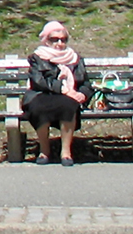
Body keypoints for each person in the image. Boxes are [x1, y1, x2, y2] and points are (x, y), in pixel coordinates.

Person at [25, 19, 89, 166]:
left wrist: (83, 94)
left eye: (63, 39)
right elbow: (38, 82)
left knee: (68, 105)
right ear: (46, 40)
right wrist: (63, 89)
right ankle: (44, 150)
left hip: (68, 97)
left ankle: (66, 152)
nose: (59, 43)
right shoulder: (37, 57)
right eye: (54, 39)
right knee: (39, 108)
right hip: (41, 94)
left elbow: (85, 83)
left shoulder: (75, 59)